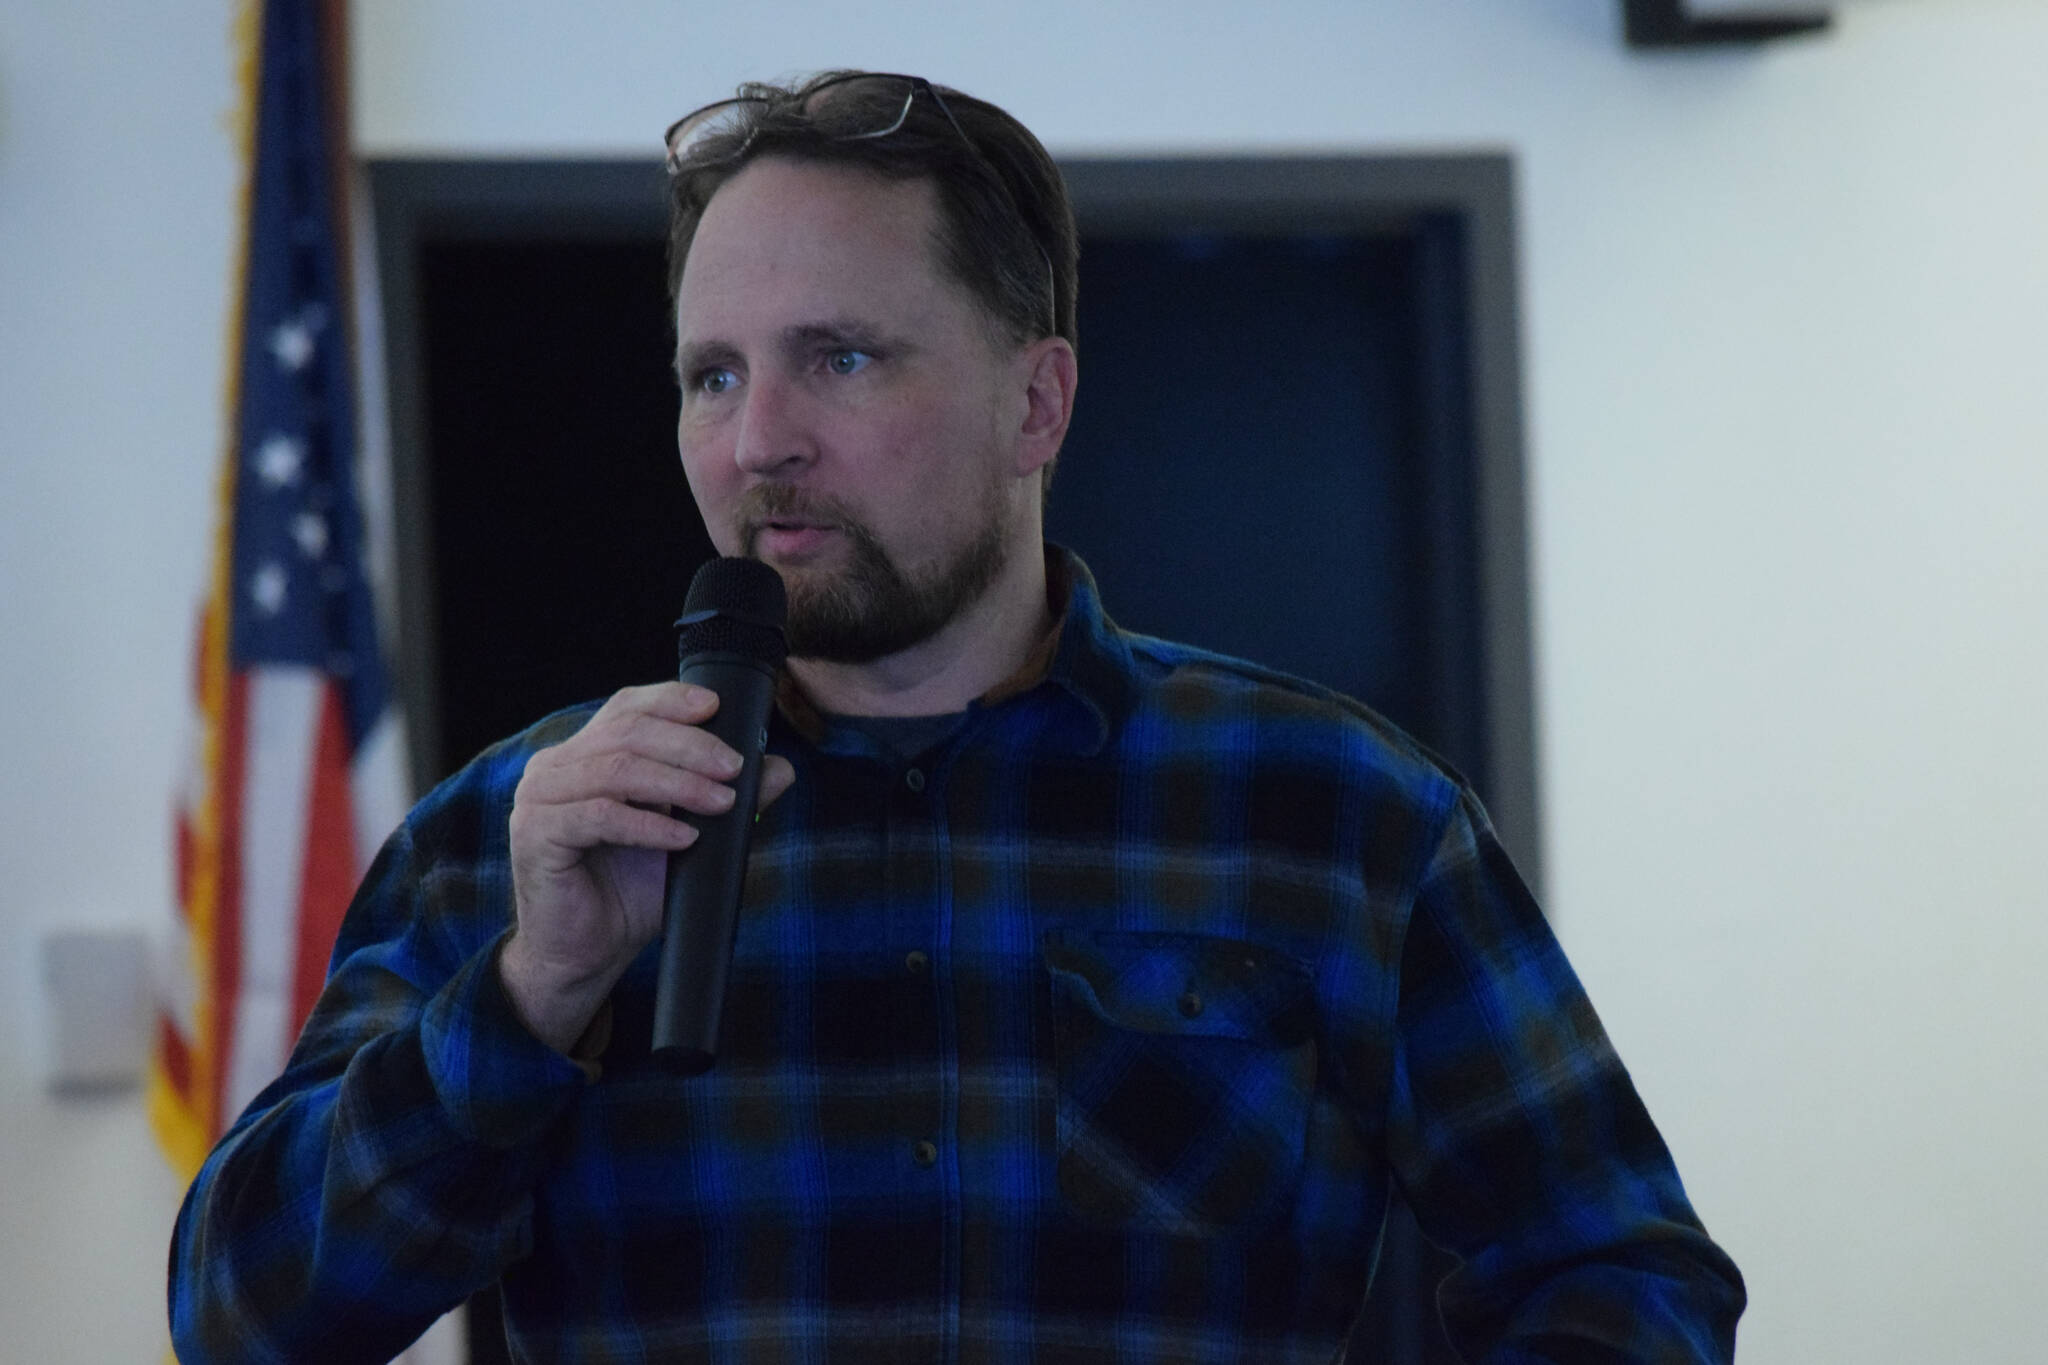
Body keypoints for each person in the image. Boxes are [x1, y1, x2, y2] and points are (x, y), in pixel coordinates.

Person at [169, 71, 1745, 1364]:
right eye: (710, 376)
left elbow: (1618, 1273)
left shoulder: (1336, 814)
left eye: (837, 358)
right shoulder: (521, 839)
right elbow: (242, 1317)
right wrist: (529, 993)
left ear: (1036, 402)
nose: (757, 442)